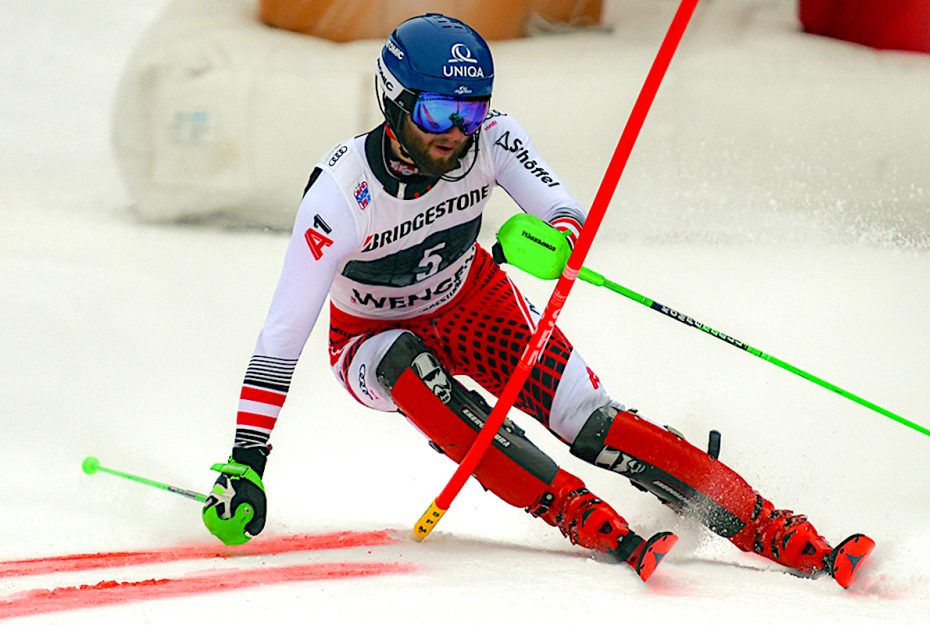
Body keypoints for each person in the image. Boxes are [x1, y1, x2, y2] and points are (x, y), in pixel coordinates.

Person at [201, 13, 873, 586]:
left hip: (473, 304)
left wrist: (553, 240)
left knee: (592, 421)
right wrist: (247, 462)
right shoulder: (340, 195)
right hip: (369, 341)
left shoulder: (491, 139)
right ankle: (574, 511)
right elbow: (280, 337)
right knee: (405, 362)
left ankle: (766, 522)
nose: (456, 132)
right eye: (439, 111)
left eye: (471, 110)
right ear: (395, 101)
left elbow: (562, 211)